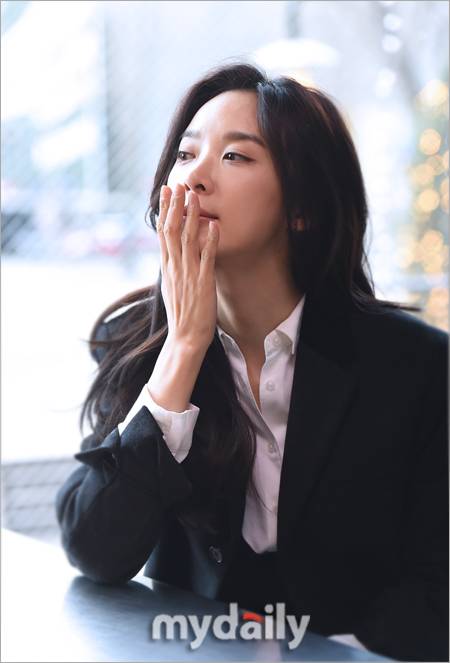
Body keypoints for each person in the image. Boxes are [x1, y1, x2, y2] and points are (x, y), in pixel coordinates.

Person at [56, 62, 448, 661]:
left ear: (302, 207)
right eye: (185, 155)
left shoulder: (415, 366)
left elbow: (437, 586)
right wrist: (183, 349)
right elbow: (96, 548)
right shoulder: (138, 344)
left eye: (235, 156)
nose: (195, 177)